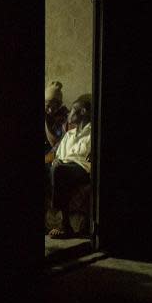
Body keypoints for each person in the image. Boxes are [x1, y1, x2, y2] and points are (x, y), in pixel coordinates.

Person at [46, 94, 92, 239]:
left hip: (81, 168)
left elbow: (88, 158)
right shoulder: (69, 134)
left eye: (73, 110)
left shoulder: (93, 133)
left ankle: (64, 225)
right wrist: (56, 161)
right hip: (63, 167)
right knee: (52, 168)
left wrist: (60, 164)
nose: (69, 114)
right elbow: (58, 156)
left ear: (83, 112)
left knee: (59, 170)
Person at [44, 80, 69, 164]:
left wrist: (46, 122)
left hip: (54, 154)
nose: (50, 110)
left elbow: (56, 143)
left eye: (55, 107)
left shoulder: (64, 117)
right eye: (47, 106)